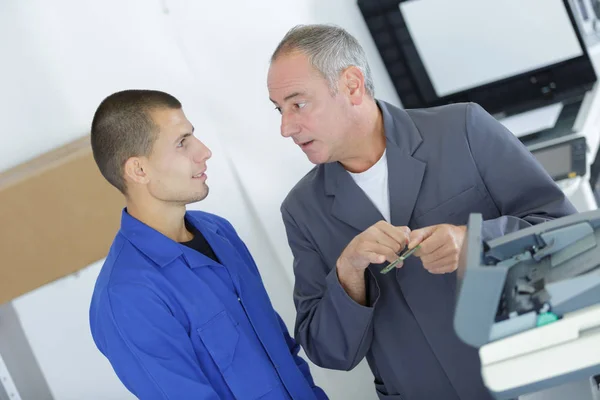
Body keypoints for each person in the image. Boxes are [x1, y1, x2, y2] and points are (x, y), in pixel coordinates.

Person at [267, 25, 577, 400]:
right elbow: (329, 351)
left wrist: (473, 242)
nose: (286, 127)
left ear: (351, 85)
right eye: (279, 110)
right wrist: (348, 273)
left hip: (537, 381)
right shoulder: (302, 210)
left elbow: (568, 232)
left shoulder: (464, 128)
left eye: (297, 104)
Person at [88, 89, 327, 400]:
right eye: (181, 142)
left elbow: (284, 354)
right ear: (139, 170)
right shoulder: (127, 297)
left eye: (193, 137)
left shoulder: (219, 232)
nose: (204, 152)